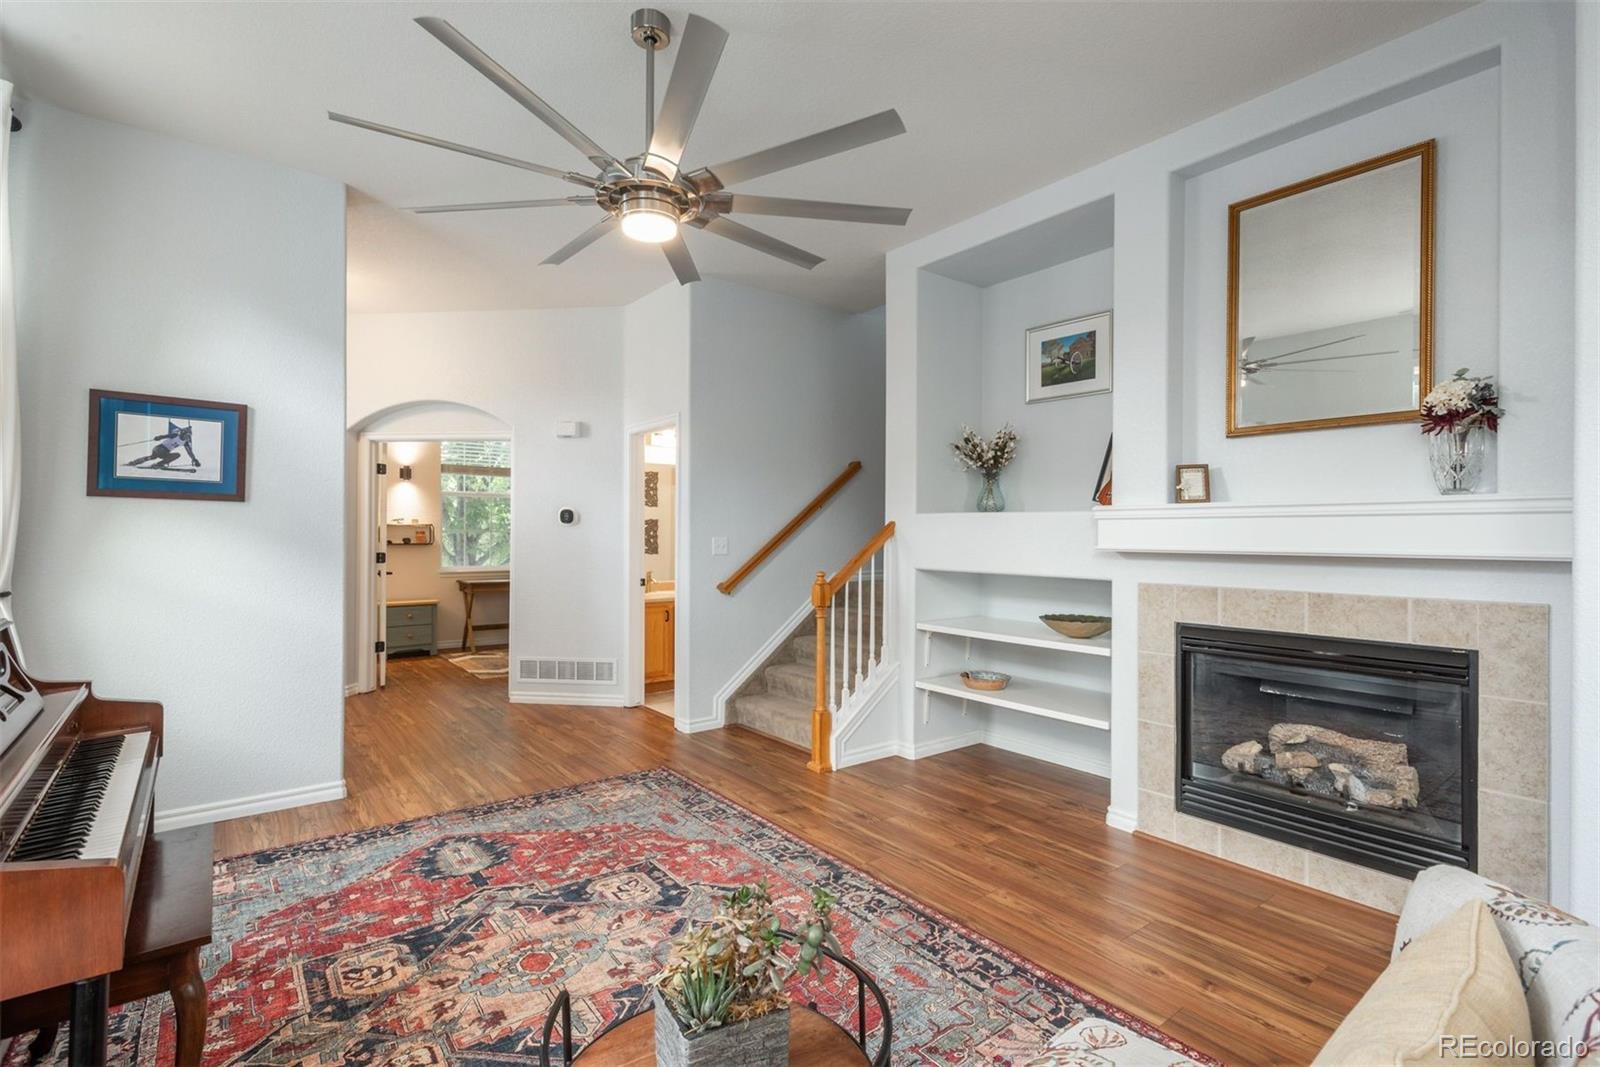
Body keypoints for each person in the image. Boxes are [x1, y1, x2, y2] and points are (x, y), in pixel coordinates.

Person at [125, 421, 200, 472]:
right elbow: (166, 436)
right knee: (154, 456)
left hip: (165, 452)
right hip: (159, 448)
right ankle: (134, 462)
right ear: (183, 433)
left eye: (189, 436)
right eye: (187, 435)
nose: (188, 437)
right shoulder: (175, 435)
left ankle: (159, 464)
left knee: (177, 455)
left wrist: (195, 459)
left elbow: (189, 452)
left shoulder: (185, 442)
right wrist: (159, 437)